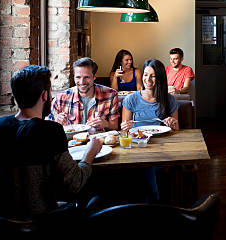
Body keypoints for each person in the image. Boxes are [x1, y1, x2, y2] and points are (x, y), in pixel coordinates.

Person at [0, 65, 102, 219]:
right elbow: (75, 183)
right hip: (41, 223)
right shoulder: (50, 131)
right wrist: (89, 154)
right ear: (45, 96)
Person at [120, 59, 179, 202]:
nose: (148, 79)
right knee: (146, 164)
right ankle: (153, 202)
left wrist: (173, 123)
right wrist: (125, 128)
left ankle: (149, 203)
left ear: (160, 78)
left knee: (148, 165)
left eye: (153, 76)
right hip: (137, 148)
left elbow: (177, 129)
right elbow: (124, 132)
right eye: (146, 75)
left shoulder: (169, 99)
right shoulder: (131, 99)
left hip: (162, 149)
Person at [49, 57, 119, 131]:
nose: (82, 82)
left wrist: (106, 124)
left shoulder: (111, 95)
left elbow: (115, 126)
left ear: (94, 77)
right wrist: (55, 121)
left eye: (86, 77)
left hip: (98, 140)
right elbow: (46, 126)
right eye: (78, 77)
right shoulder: (61, 97)